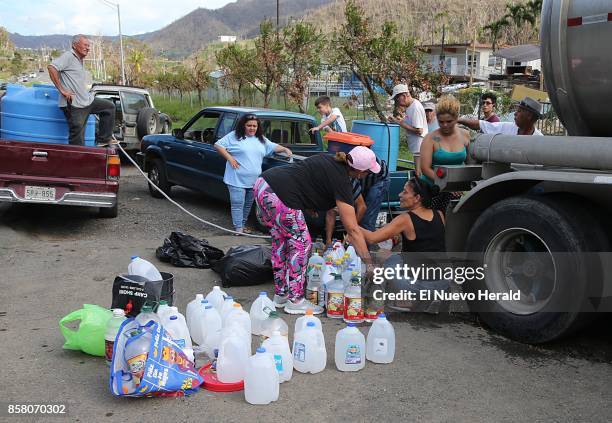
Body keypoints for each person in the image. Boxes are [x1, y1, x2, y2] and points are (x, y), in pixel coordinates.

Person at [254, 146, 378, 314]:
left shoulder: (329, 159)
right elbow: (353, 229)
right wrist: (368, 263)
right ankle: (295, 300)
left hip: (264, 184)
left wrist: (309, 204)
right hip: (280, 195)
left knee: (281, 240)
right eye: (368, 172)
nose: (367, 176)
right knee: (302, 244)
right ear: (360, 171)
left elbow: (306, 178)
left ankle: (281, 294)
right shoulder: (342, 181)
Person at [214, 114, 292, 234]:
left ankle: (242, 225)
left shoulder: (260, 138)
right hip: (236, 178)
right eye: (249, 125)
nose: (252, 128)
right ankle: (238, 228)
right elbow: (218, 145)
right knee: (238, 204)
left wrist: (285, 149)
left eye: (254, 126)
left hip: (253, 180)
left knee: (248, 204)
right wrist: (230, 158)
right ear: (243, 125)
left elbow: (272, 146)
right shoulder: (234, 135)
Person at [48, 34, 115, 146]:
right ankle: (76, 159)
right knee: (78, 136)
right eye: (85, 45)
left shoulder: (79, 60)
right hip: (74, 104)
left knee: (109, 107)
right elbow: (51, 67)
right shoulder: (68, 56)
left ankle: (103, 140)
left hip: (86, 101)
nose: (88, 48)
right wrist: (62, 90)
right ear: (74, 45)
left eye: (89, 46)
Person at [359, 177, 445, 253]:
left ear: (417, 198)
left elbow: (371, 238)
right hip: (441, 269)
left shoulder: (405, 219)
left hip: (416, 270)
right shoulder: (439, 214)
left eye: (405, 192)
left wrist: (351, 225)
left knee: (383, 256)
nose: (399, 194)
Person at [419, 95, 470, 212]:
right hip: (432, 190)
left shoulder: (465, 135)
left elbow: (469, 163)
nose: (445, 125)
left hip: (456, 191)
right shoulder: (431, 138)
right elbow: (425, 169)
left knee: (453, 224)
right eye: (441, 122)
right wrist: (447, 185)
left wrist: (461, 184)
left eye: (449, 121)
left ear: (457, 118)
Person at [388, 84, 428, 176]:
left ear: (404, 95)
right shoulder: (410, 107)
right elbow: (411, 123)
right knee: (419, 172)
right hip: (416, 148)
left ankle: (420, 190)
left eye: (397, 99)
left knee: (419, 173)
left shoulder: (415, 107)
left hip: (419, 147)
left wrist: (401, 124)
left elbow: (419, 130)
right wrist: (397, 120)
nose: (397, 102)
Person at [459, 96, 544, 136]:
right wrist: (458, 120)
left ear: (529, 116)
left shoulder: (539, 139)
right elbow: (481, 125)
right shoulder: (507, 127)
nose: (515, 113)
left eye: (519, 111)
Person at [325, 178, 366, 247]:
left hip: (374, 180)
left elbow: (362, 207)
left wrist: (351, 232)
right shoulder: (330, 186)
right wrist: (328, 240)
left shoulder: (350, 182)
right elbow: (330, 213)